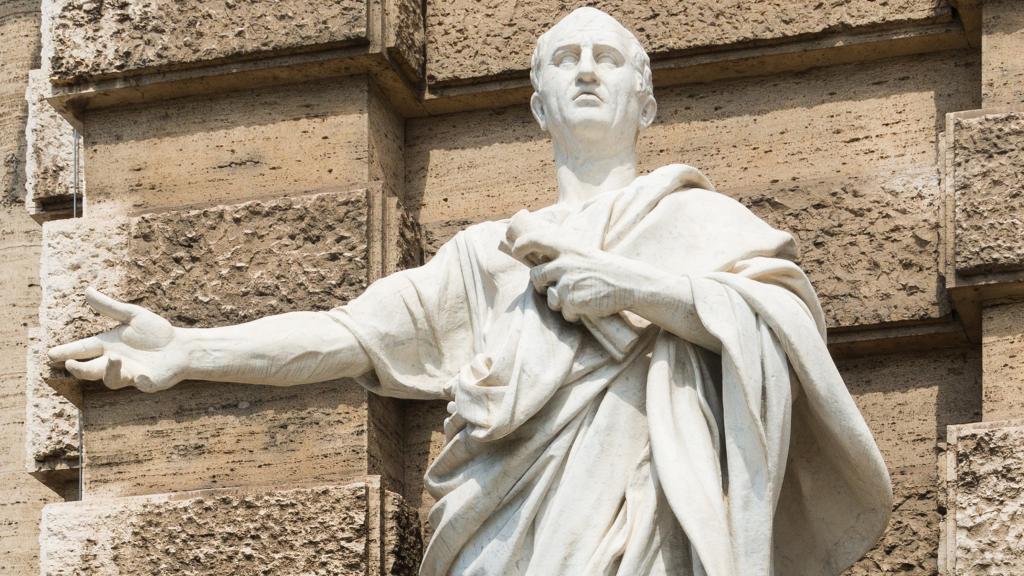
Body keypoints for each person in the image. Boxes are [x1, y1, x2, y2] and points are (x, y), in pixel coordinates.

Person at [49, 8, 892, 576]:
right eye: (566, 60)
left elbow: (787, 342)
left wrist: (638, 288)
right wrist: (190, 349)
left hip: (646, 536)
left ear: (648, 100)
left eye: (608, 59)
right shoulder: (487, 259)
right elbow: (349, 336)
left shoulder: (710, 228)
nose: (588, 70)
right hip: (500, 543)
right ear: (538, 106)